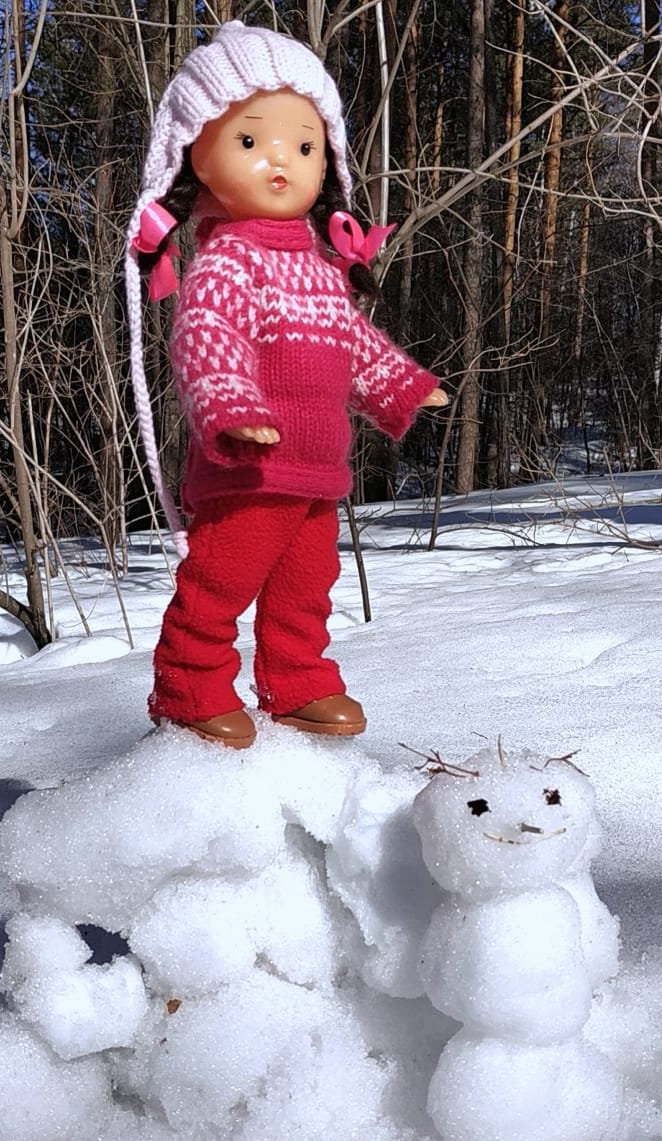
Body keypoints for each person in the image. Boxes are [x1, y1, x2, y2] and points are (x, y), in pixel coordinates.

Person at [126, 21, 447, 750]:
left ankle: (297, 681)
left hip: (314, 467)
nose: (281, 162)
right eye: (250, 142)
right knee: (220, 583)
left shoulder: (317, 266)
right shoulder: (230, 261)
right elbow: (206, 340)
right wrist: (232, 406)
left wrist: (402, 385)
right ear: (196, 157)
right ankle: (189, 686)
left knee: (306, 588)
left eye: (304, 147)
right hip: (250, 467)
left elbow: (352, 346)